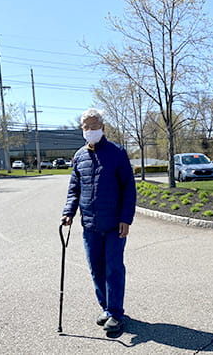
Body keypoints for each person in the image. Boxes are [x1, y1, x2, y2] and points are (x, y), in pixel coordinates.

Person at [61, 108, 136, 333]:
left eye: (94, 127)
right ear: (82, 130)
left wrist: (126, 218)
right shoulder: (80, 156)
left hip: (114, 225)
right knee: (96, 269)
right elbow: (74, 189)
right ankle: (105, 307)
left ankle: (115, 312)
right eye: (86, 128)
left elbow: (129, 189)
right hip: (90, 226)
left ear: (103, 128)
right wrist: (68, 212)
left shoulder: (117, 153)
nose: (90, 131)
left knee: (113, 268)